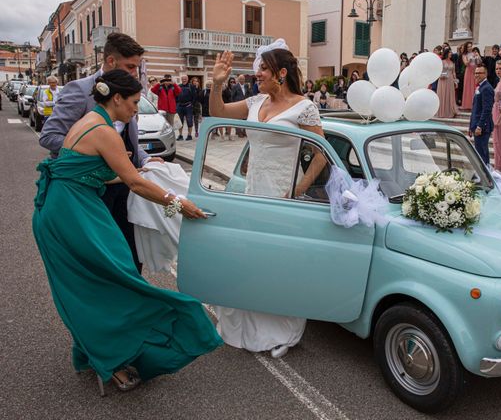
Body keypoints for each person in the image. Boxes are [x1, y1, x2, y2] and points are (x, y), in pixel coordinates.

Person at [33, 69, 222, 394]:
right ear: (117, 98)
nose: (137, 108)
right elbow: (133, 183)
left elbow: (99, 173)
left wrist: (142, 168)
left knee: (95, 285)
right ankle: (113, 359)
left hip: (68, 208)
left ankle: (104, 352)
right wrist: (178, 203)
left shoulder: (90, 121)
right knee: (111, 282)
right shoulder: (103, 131)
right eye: (134, 101)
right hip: (71, 214)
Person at [208, 40, 324, 359]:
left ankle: (283, 331)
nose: (256, 73)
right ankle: (248, 328)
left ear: (281, 73)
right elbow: (217, 113)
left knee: (277, 266)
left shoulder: (304, 107)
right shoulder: (255, 102)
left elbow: (320, 155)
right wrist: (217, 84)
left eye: (263, 68)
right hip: (252, 193)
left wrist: (299, 189)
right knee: (249, 262)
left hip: (281, 197)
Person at [40, 32, 158, 274]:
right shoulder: (79, 90)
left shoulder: (129, 92)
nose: (135, 72)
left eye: (137, 67)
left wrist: (144, 158)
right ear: (111, 62)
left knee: (130, 250)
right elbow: (49, 136)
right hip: (91, 190)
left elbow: (128, 140)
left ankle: (131, 295)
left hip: (124, 185)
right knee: (99, 256)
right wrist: (96, 156)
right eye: (130, 66)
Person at [468, 65, 494, 165]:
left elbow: (487, 110)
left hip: (482, 126)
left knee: (481, 152)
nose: (476, 75)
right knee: (481, 151)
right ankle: (485, 173)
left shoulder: (486, 88)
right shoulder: (481, 86)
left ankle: (483, 174)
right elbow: (475, 108)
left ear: (485, 74)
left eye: (479, 73)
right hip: (476, 124)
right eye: (475, 73)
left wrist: (479, 126)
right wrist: (471, 125)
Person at [435, 47, 458, 118]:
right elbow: (438, 72)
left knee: (450, 95)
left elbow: (454, 73)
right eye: (449, 52)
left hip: (450, 80)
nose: (451, 54)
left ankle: (450, 111)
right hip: (443, 81)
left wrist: (456, 81)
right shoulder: (442, 62)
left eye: (451, 52)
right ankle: (442, 112)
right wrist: (443, 75)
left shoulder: (452, 63)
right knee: (443, 94)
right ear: (446, 53)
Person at [176, 75, 197, 141]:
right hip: (180, 106)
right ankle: (180, 135)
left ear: (187, 79)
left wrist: (191, 104)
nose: (184, 80)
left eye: (185, 79)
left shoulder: (191, 86)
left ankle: (189, 135)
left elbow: (195, 97)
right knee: (180, 122)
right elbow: (175, 96)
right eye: (183, 79)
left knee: (189, 121)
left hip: (188, 106)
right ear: (181, 79)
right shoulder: (178, 86)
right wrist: (177, 104)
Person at [461, 42, 480, 110]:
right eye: (468, 47)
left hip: (475, 71)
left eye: (471, 46)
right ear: (466, 48)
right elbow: (466, 63)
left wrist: (477, 56)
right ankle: (468, 105)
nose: (470, 48)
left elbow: (479, 62)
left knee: (475, 87)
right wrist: (471, 58)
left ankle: (475, 104)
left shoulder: (474, 53)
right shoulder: (464, 55)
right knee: (468, 88)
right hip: (468, 71)